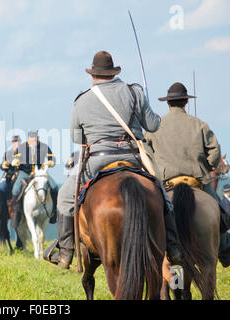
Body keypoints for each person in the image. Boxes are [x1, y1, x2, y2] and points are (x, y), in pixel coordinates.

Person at [44, 50, 182, 269]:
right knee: (161, 193)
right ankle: (173, 246)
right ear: (114, 72)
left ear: (93, 75)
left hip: (97, 160)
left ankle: (66, 251)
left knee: (64, 197)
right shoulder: (135, 92)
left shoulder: (82, 100)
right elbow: (153, 126)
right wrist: (150, 112)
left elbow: (77, 138)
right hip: (133, 157)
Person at [145, 82, 230, 267]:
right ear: (186, 102)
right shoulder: (200, 125)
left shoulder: (154, 127)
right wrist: (207, 166)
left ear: (168, 103)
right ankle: (225, 251)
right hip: (197, 181)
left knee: (148, 218)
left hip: (166, 184)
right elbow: (215, 153)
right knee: (220, 214)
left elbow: (145, 151)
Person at [10, 130, 59, 225]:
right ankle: (17, 213)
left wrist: (50, 162)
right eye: (31, 137)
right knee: (15, 190)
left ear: (37, 138)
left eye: (35, 137)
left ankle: (54, 211)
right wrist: (15, 161)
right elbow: (14, 157)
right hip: (25, 172)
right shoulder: (22, 147)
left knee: (54, 187)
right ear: (28, 138)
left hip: (40, 172)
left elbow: (51, 157)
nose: (33, 139)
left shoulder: (44, 147)